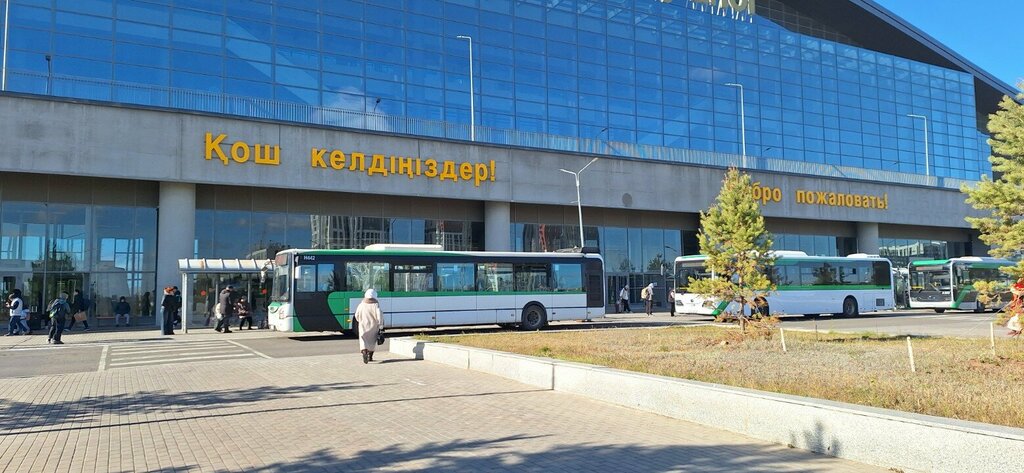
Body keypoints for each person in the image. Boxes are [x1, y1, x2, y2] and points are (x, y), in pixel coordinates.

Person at [353, 288, 384, 364]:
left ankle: (364, 351)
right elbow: (379, 316)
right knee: (372, 342)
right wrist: (380, 326)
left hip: (363, 325)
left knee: (363, 339)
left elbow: (356, 315)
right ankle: (370, 356)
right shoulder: (376, 305)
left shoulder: (361, 304)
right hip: (373, 326)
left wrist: (360, 320)